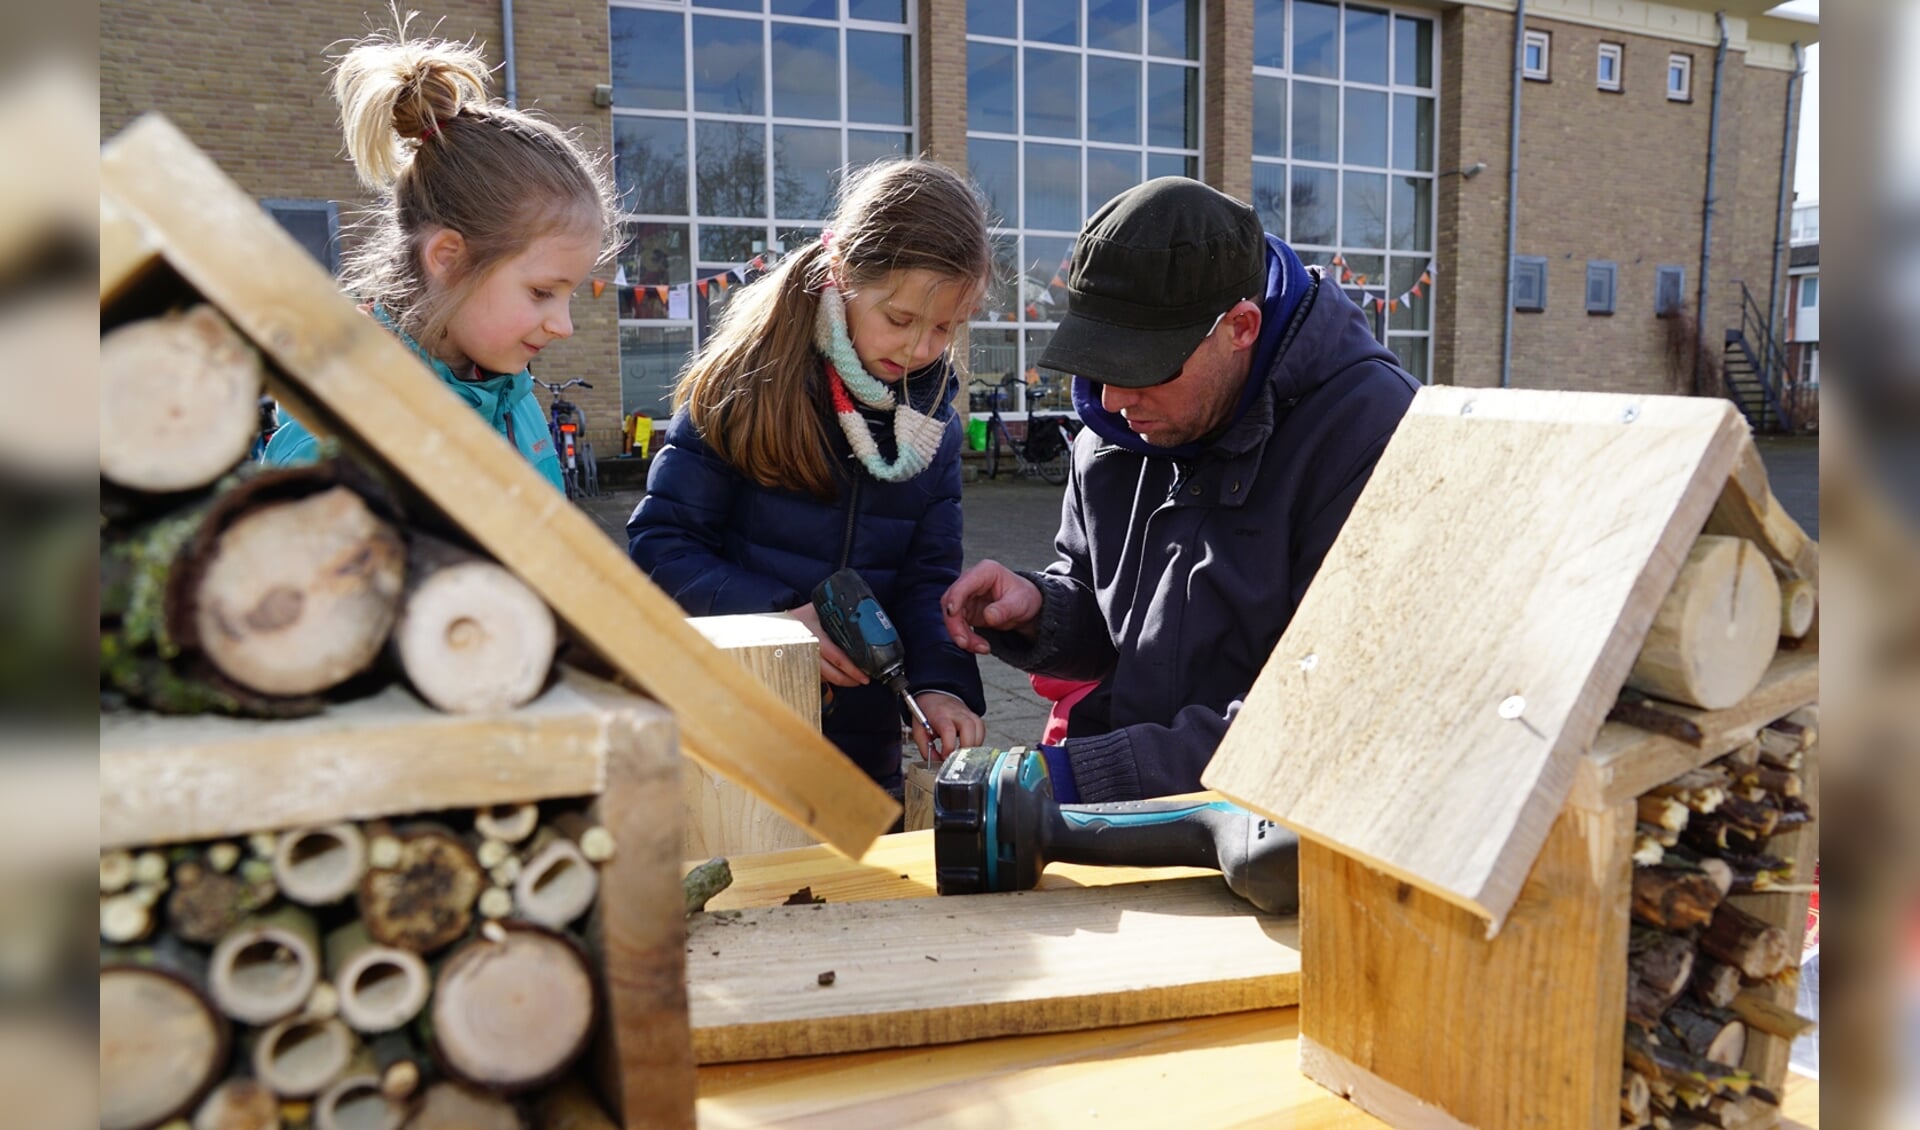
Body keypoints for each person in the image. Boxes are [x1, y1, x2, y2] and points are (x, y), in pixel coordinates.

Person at [942, 177, 1419, 803]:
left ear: (1241, 327)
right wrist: (1039, 609)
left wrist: (1081, 779)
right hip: (1130, 805)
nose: (1112, 398)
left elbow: (1331, 708)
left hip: (1280, 829)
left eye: (1142, 367)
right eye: (1098, 363)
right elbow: (1109, 617)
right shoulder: (1112, 428)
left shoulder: (1372, 434)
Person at [627, 159, 989, 793]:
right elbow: (661, 548)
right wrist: (779, 623)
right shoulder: (744, 387)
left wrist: (940, 687)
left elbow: (927, 578)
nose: (920, 349)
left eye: (945, 328)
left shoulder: (932, 424)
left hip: (861, 756)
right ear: (843, 274)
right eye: (900, 319)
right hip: (734, 736)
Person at [263, 23, 616, 492]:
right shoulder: (342, 444)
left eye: (569, 294)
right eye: (541, 292)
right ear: (448, 258)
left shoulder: (513, 396)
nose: (564, 326)